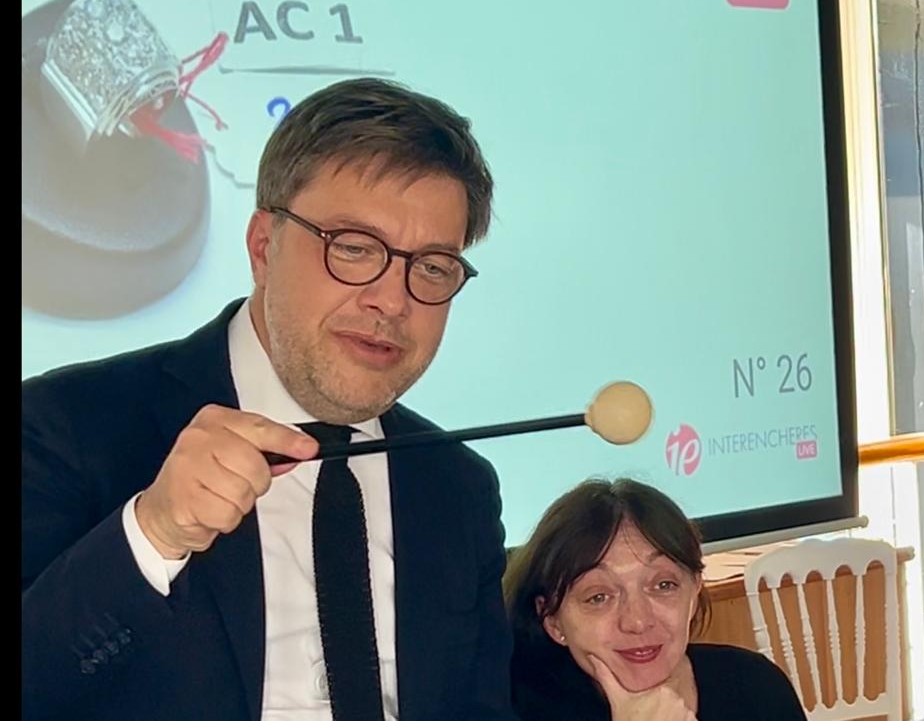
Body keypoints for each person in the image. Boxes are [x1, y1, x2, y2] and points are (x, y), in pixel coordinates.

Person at [21, 78, 516, 720]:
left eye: (431, 268)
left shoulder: (459, 487)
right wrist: (153, 533)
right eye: (354, 249)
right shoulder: (66, 425)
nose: (392, 301)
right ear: (263, 247)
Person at [504, 478, 807, 721]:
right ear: (553, 620)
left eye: (663, 585)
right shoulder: (516, 710)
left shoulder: (755, 686)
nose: (637, 621)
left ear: (694, 590)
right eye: (598, 597)